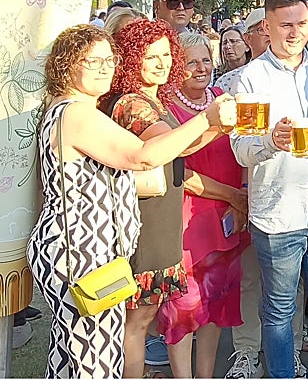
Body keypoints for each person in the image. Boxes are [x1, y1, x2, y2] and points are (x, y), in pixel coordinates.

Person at [29, 25, 235, 379]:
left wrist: (213, 127)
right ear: (67, 65)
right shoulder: (77, 113)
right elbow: (143, 156)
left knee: (74, 358)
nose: (104, 68)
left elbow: (162, 153)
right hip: (80, 252)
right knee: (95, 362)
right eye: (92, 61)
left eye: (109, 60)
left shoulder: (73, 110)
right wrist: (206, 118)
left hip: (83, 249)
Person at [103, 19, 238, 379]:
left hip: (161, 219)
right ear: (132, 59)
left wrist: (218, 126)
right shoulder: (132, 103)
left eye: (166, 54)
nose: (161, 63)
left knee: (145, 315)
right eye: (151, 56)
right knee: (136, 321)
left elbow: (180, 147)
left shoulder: (151, 99)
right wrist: (210, 120)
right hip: (144, 222)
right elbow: (171, 148)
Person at [228, 0, 308, 379]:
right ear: (267, 26)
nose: (295, 32)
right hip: (277, 216)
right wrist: (270, 141)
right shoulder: (251, 78)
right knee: (279, 309)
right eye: (285, 25)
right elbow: (241, 150)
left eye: (302, 24)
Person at [161, 31, 252, 379]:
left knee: (216, 303)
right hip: (188, 221)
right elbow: (179, 173)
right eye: (191, 62)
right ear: (176, 67)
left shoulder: (224, 100)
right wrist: (233, 196)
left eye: (206, 61)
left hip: (228, 219)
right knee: (184, 308)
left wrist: (242, 197)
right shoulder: (166, 108)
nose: (201, 68)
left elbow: (242, 153)